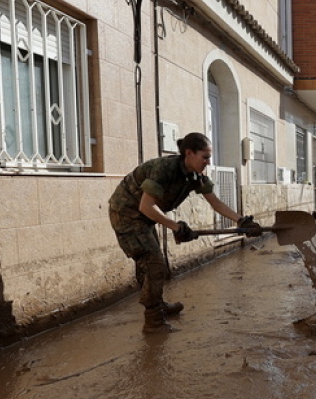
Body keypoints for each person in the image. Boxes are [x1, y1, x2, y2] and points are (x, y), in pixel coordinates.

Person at [108, 132, 262, 334]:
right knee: (154, 263)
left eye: (209, 157)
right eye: (205, 157)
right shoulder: (165, 169)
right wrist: (176, 227)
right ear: (189, 153)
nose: (208, 162)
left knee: (152, 262)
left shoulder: (195, 175)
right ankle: (153, 321)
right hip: (126, 213)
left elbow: (215, 203)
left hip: (143, 216)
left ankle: (158, 304)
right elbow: (146, 206)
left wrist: (241, 221)